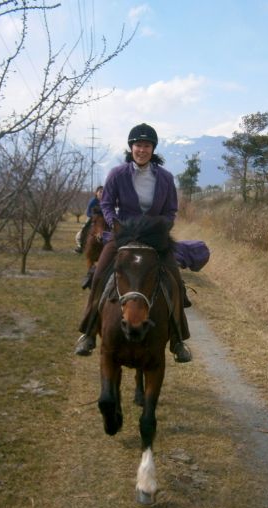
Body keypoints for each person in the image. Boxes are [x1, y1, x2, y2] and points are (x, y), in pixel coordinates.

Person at [74, 123, 192, 363]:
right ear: (131, 147)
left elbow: (171, 210)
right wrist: (114, 224)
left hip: (155, 240)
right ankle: (88, 332)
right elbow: (106, 204)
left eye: (147, 145)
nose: (142, 149)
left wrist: (162, 228)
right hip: (124, 237)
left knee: (176, 281)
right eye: (138, 145)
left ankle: (178, 339)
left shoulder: (166, 178)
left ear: (153, 148)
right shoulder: (117, 174)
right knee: (99, 275)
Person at [74, 186, 104, 254]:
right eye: (100, 192)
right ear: (96, 193)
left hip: (102, 219)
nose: (101, 193)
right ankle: (80, 246)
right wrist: (94, 217)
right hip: (91, 218)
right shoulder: (93, 201)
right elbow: (88, 212)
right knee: (82, 231)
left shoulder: (105, 201)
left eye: (103, 192)